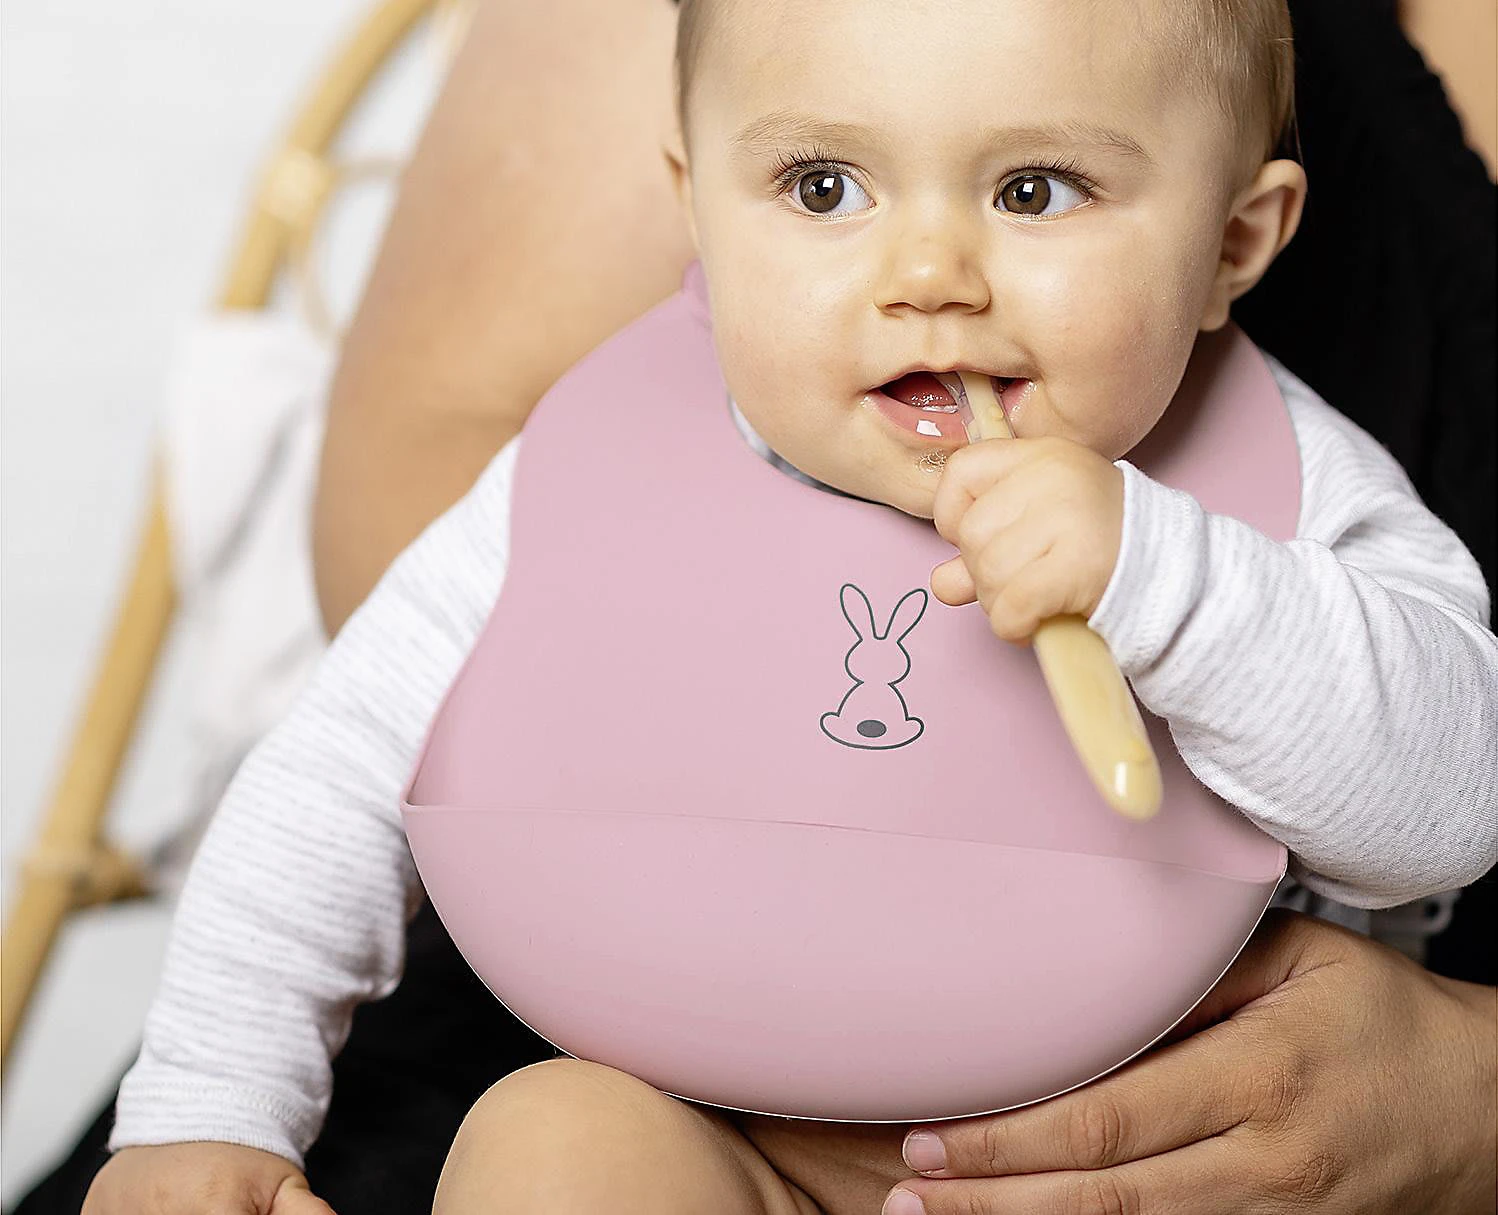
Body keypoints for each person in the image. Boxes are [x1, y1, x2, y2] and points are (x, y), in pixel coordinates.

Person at [75, 0, 1498, 1211]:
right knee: (553, 1145)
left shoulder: (1281, 489)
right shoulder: (596, 470)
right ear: (696, 202)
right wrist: (208, 1106)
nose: (927, 277)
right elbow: (335, 775)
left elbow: (1445, 810)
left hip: (1143, 1156)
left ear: (1236, 241)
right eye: (823, 189)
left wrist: (1166, 579)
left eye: (1034, 192)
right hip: (716, 1129)